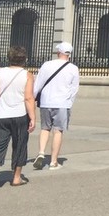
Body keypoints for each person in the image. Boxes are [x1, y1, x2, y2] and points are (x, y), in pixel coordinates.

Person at [0, 45, 35, 192]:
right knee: (20, 145)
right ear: (24, 60)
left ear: (9, 58)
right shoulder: (27, 75)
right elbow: (29, 98)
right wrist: (33, 117)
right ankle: (16, 178)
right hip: (19, 115)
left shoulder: (0, 73)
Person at [32, 42, 80, 171]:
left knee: (45, 128)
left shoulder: (47, 65)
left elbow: (38, 83)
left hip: (46, 101)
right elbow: (74, 89)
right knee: (58, 131)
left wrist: (33, 96)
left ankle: (41, 152)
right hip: (62, 103)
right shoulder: (73, 68)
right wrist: (69, 102)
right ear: (69, 54)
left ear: (58, 52)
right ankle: (53, 162)